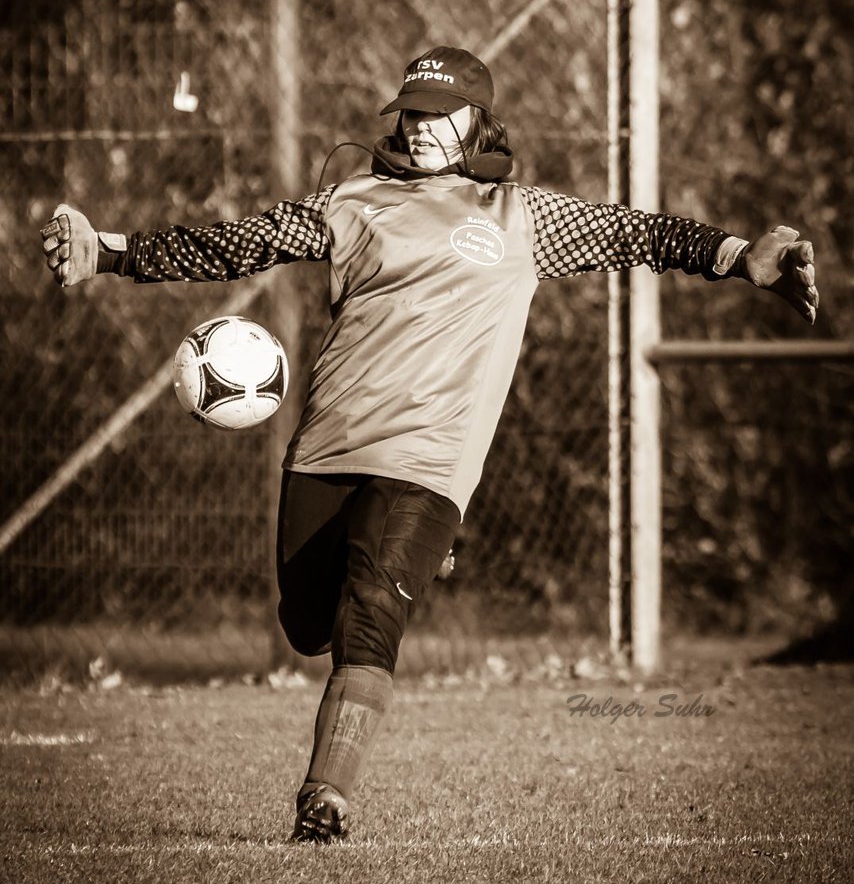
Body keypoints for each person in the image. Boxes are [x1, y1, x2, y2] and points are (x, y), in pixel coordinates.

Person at [41, 45, 819, 843]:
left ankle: (326, 797)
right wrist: (108, 250)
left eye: (435, 113)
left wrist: (738, 258)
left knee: (369, 616)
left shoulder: (524, 218)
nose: (416, 128)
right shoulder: (352, 202)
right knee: (308, 625)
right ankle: (404, 563)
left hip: (429, 461)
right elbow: (237, 243)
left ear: (478, 122)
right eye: (407, 113)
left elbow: (642, 234)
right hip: (328, 448)